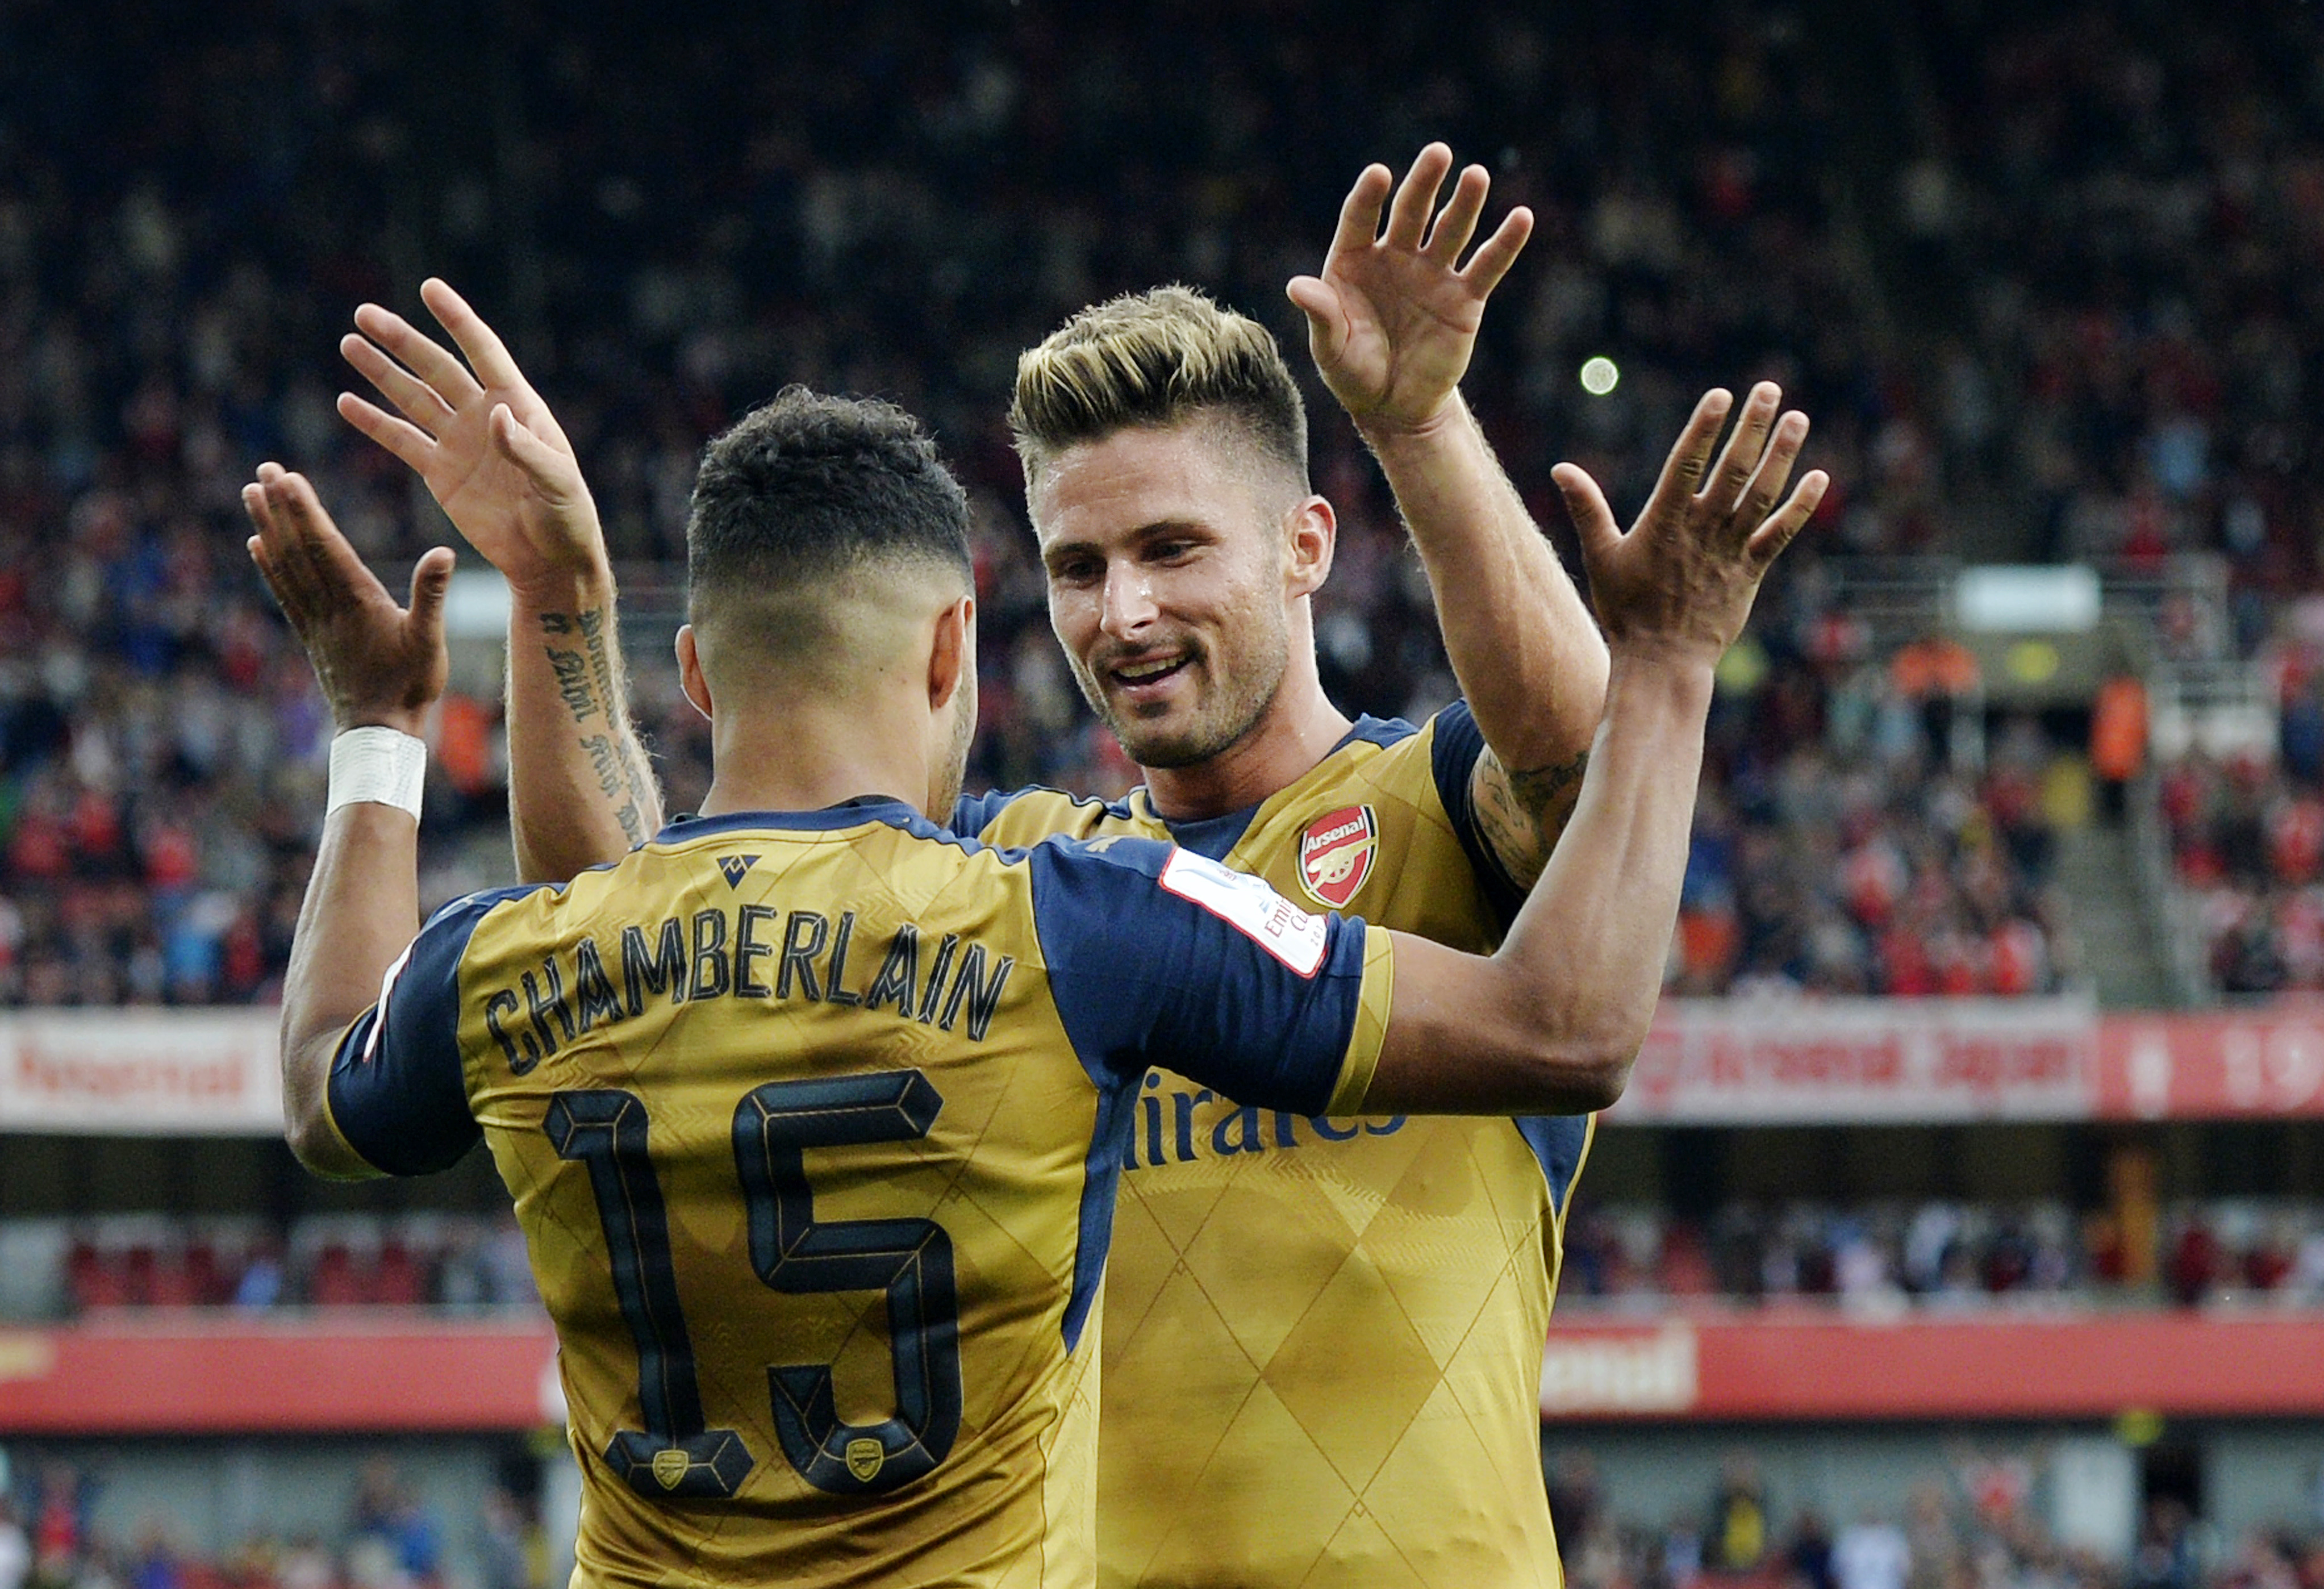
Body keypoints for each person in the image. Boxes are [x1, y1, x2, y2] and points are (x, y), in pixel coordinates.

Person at [332, 147, 1821, 1584]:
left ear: (1308, 547)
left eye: (1175, 550)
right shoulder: (1025, 887)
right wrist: (558, 603)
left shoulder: (1427, 810)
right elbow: (640, 953)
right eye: (1076, 566)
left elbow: (1579, 759)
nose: (1123, 614)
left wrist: (1422, 428)